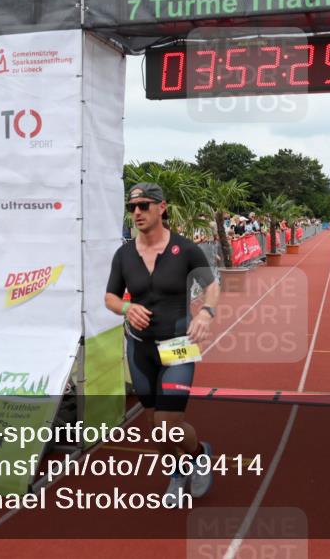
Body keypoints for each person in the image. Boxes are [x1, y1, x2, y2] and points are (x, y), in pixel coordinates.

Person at [105, 182, 220, 505]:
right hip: (140, 348)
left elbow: (212, 286)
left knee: (168, 423)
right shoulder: (124, 254)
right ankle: (179, 469)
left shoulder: (185, 250)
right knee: (156, 429)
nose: (137, 212)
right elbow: (110, 297)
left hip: (178, 346)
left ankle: (199, 454)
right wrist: (127, 308)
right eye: (132, 207)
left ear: (162, 207)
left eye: (144, 205)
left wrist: (206, 314)